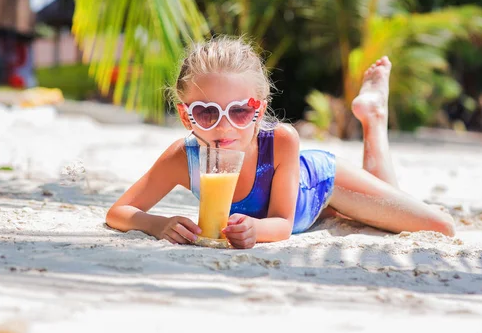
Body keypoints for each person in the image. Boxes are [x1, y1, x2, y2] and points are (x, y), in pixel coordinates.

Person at [106, 37, 455, 249]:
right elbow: (118, 212)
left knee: (439, 226)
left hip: (317, 186)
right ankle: (374, 113)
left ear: (259, 112)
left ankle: (374, 118)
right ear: (186, 117)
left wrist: (255, 230)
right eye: (207, 113)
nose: (224, 125)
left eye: (240, 112)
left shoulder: (282, 141)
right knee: (381, 211)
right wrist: (157, 223)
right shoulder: (184, 157)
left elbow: (283, 224)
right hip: (308, 211)